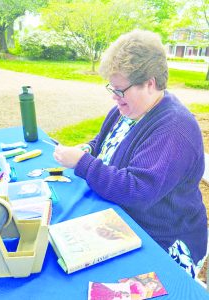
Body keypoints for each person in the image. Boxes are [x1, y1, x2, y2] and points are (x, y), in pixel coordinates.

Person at [54, 29, 207, 278]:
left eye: (120, 90)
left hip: (162, 238)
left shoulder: (174, 129)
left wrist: (83, 163)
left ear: (150, 82)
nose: (115, 97)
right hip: (126, 221)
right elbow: (103, 143)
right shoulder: (128, 110)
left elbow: (136, 191)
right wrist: (88, 149)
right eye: (112, 89)